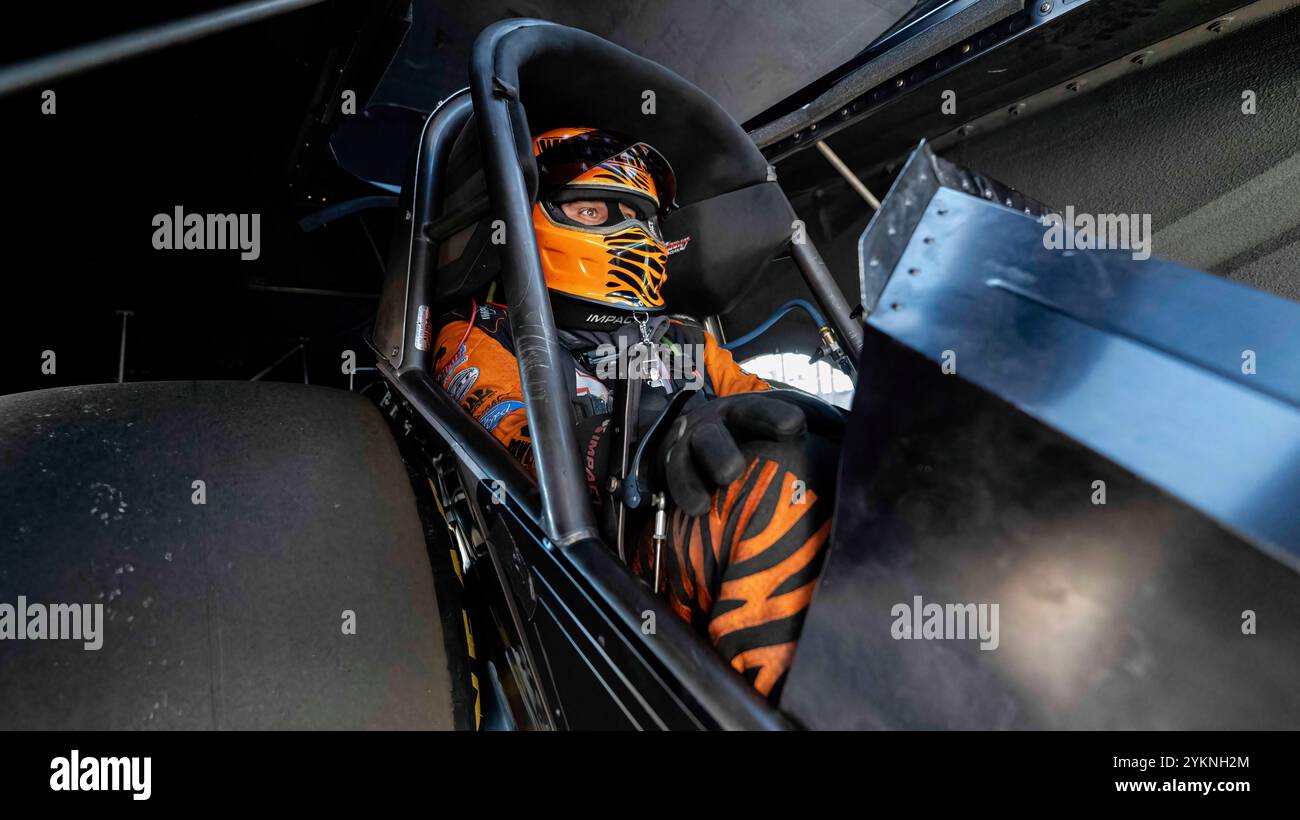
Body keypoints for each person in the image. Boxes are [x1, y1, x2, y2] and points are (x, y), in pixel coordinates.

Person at [432, 127, 837, 700]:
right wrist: (639, 450)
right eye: (593, 209)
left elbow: (763, 403)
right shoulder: (481, 333)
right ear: (527, 219)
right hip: (607, 553)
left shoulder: (683, 336)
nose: (623, 231)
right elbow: (517, 437)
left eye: (635, 215)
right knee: (774, 482)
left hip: (695, 519)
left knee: (835, 458)